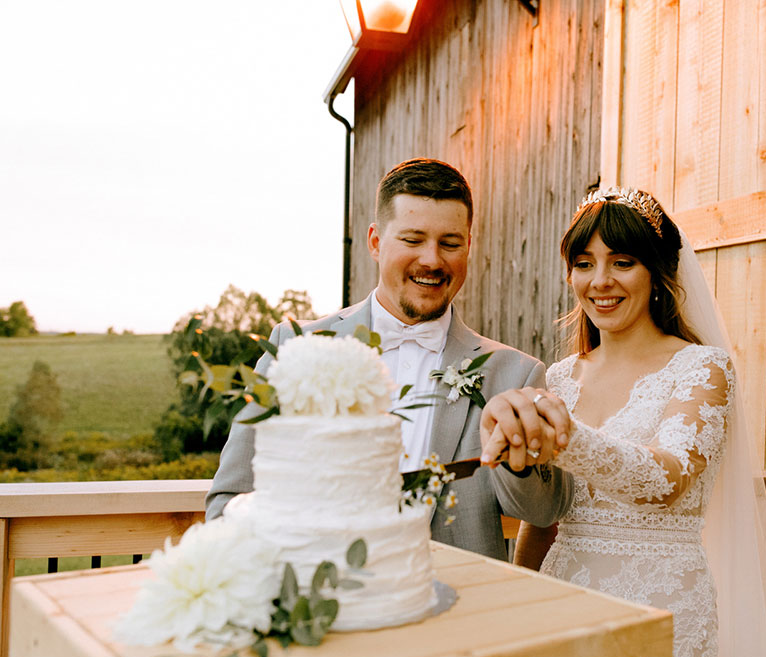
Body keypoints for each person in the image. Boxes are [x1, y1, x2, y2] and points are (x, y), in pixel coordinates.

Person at [480, 187, 766, 657]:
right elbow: (544, 519)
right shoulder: (561, 377)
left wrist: (562, 439)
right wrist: (516, 604)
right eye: (584, 263)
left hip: (661, 604)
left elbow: (666, 480)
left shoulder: (703, 369)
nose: (600, 281)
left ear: (657, 273)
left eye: (622, 262)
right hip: (566, 599)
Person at [206, 158, 573, 561]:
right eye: (413, 240)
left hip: (461, 608)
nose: (432, 260)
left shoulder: (514, 373)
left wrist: (518, 463)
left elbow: (544, 511)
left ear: (469, 245)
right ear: (376, 242)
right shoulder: (296, 346)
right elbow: (230, 499)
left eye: (450, 243)